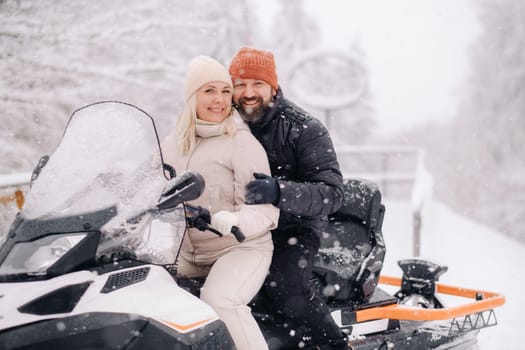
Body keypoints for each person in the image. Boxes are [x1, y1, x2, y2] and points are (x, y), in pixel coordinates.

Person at [229, 47, 348, 349]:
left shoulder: (303, 128)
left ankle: (335, 345)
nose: (248, 92)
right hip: (235, 226)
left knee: (284, 287)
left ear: (273, 85)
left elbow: (332, 193)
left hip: (293, 228)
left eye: (257, 83)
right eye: (240, 84)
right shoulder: (222, 120)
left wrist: (279, 192)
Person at [162, 55, 279, 350]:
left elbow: (265, 209)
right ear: (192, 96)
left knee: (221, 301)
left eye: (225, 91)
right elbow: (147, 187)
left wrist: (236, 219)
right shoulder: (171, 144)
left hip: (242, 247)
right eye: (209, 91)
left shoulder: (241, 142)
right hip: (189, 253)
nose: (219, 100)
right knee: (141, 288)